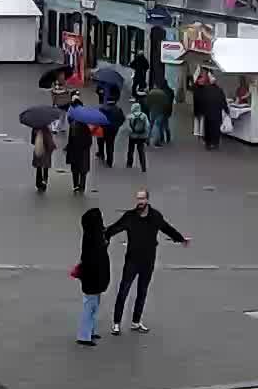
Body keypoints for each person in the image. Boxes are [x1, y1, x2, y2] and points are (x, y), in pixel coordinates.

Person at [103, 188, 189, 333]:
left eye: (142, 199)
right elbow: (114, 228)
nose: (140, 202)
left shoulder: (155, 216)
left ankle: (136, 322)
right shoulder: (130, 216)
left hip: (148, 260)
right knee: (124, 290)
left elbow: (167, 228)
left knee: (142, 291)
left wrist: (181, 239)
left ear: (147, 200)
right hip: (132, 260)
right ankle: (117, 323)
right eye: (138, 199)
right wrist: (103, 234)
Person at [74, 208, 111, 346]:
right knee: (90, 307)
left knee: (93, 306)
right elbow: (95, 258)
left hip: (93, 279)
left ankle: (90, 331)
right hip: (93, 279)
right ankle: (84, 336)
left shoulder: (92, 235)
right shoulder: (93, 238)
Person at [65, 120, 93, 194]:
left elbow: (70, 140)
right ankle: (82, 187)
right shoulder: (86, 127)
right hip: (83, 152)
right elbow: (89, 141)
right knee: (83, 171)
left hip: (74, 151)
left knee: (75, 170)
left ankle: (75, 185)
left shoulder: (73, 125)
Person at [122, 101, 150, 174]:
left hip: (133, 136)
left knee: (131, 150)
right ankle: (143, 166)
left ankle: (129, 164)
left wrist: (130, 133)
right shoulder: (144, 115)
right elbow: (147, 126)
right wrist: (146, 135)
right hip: (142, 136)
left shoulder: (129, 116)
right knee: (141, 151)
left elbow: (128, 127)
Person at [144, 79, 172, 147]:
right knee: (158, 126)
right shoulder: (163, 93)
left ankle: (147, 139)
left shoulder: (150, 93)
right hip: (161, 111)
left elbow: (147, 103)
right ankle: (157, 141)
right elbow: (166, 103)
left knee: (151, 125)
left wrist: (150, 108)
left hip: (152, 111)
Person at [97, 101, 124, 168]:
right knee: (110, 144)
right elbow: (122, 119)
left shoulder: (102, 109)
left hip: (103, 128)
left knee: (100, 141)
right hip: (113, 130)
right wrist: (117, 126)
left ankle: (101, 154)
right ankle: (110, 161)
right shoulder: (118, 109)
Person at [31, 127, 55, 193]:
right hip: (46, 150)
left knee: (39, 166)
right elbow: (50, 141)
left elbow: (32, 141)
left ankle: (38, 183)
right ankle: (44, 181)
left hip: (38, 148)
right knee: (45, 166)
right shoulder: (47, 129)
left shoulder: (35, 128)